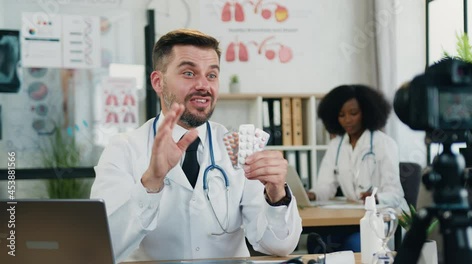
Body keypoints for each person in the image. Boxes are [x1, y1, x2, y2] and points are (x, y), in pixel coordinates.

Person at [90, 29, 302, 262]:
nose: (203, 85)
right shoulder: (123, 150)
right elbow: (104, 249)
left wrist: (276, 194)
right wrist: (151, 181)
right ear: (158, 82)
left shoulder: (238, 147)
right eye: (189, 73)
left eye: (212, 75)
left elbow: (279, 246)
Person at [307, 84, 408, 253]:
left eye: (353, 113)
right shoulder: (336, 145)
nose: (347, 120)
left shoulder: (384, 144)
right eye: (341, 115)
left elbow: (395, 194)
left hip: (378, 219)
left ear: (367, 112)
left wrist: (375, 198)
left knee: (356, 245)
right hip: (349, 220)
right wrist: (312, 194)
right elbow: (326, 186)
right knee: (316, 242)